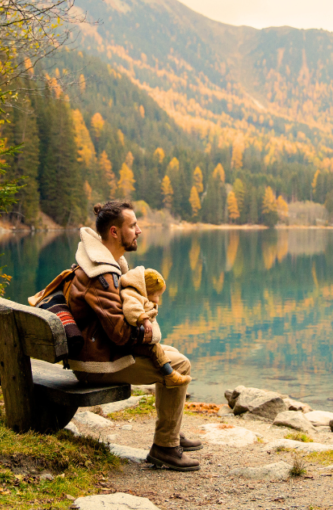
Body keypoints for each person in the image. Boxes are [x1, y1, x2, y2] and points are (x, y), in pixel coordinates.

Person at [66, 201, 202, 471]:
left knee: (172, 355)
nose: (139, 230)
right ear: (115, 232)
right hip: (96, 363)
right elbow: (119, 333)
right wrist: (147, 327)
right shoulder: (101, 275)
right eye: (133, 226)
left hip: (96, 350)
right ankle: (165, 447)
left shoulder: (103, 262)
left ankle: (170, 432)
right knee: (178, 364)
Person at [119, 266, 192, 386]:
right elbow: (131, 308)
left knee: (173, 351)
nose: (157, 300)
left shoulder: (139, 294)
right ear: (147, 290)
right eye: (157, 295)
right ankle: (169, 375)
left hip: (136, 340)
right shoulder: (131, 294)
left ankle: (170, 379)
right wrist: (144, 319)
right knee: (155, 349)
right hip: (130, 343)